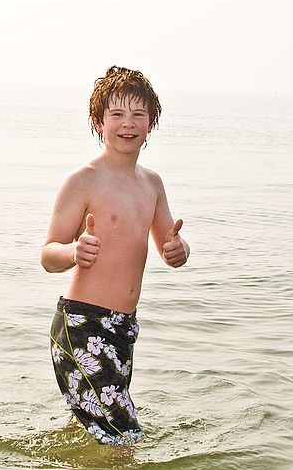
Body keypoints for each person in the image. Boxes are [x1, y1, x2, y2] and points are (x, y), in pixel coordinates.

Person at [41, 66, 190, 445]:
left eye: (139, 114)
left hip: (124, 329)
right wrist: (74, 251)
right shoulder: (84, 180)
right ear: (98, 121)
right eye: (117, 114)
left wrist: (179, 249)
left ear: (151, 123)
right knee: (124, 436)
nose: (128, 123)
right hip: (81, 327)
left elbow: (169, 245)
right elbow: (48, 254)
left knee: (99, 432)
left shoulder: (151, 183)